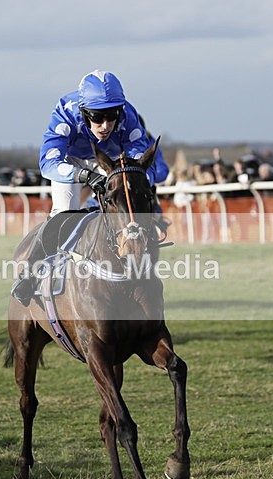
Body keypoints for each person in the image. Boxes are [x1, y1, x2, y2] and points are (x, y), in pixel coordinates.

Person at [11, 69, 169, 304]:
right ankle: (29, 275)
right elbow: (48, 164)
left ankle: (139, 268)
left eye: (111, 116)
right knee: (63, 212)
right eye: (97, 117)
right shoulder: (65, 113)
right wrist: (84, 175)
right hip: (70, 162)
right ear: (84, 112)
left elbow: (138, 156)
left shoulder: (128, 114)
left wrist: (135, 178)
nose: (105, 125)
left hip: (109, 162)